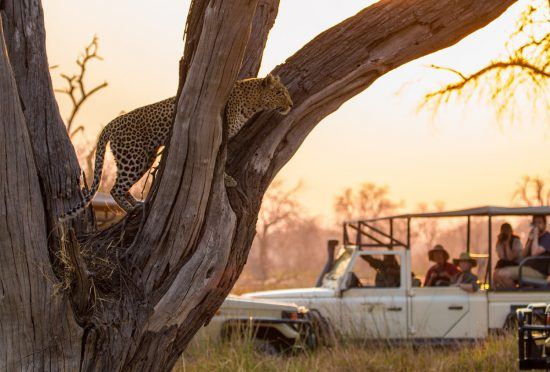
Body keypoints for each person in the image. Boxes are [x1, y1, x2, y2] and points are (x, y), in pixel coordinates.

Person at [493, 215, 550, 289]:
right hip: (526, 267)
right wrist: (530, 240)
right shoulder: (533, 238)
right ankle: (512, 295)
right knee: (497, 275)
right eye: (535, 223)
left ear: (545, 225)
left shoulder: (547, 237)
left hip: (538, 271)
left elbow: (534, 253)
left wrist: (535, 236)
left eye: (539, 223)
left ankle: (515, 297)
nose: (537, 225)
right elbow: (523, 255)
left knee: (503, 274)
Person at [493, 223, 523, 289]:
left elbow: (510, 258)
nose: (505, 233)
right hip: (505, 265)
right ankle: (503, 292)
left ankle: (514, 293)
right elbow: (502, 257)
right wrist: (501, 243)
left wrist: (507, 244)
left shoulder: (516, 241)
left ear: (511, 231)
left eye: (507, 230)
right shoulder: (500, 242)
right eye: (503, 231)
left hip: (516, 265)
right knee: (495, 275)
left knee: (502, 274)